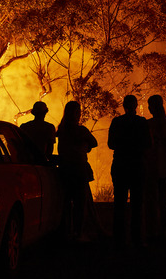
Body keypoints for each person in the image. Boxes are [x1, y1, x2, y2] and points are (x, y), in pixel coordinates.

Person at [108, 95, 152, 248]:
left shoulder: (117, 122)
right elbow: (148, 144)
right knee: (137, 204)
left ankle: (119, 239)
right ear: (136, 105)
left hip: (120, 165)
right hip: (137, 166)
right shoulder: (141, 122)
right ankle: (137, 239)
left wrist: (123, 145)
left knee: (119, 203)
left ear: (123, 106)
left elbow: (111, 144)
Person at [56, 101, 98, 241]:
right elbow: (94, 142)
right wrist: (85, 146)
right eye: (77, 111)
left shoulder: (61, 130)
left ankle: (66, 232)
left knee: (66, 202)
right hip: (78, 170)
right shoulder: (81, 131)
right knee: (80, 203)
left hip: (65, 169)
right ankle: (78, 233)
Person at [144, 95, 166, 245]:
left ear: (152, 107)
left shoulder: (148, 124)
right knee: (164, 202)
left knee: (151, 202)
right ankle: (163, 231)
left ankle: (152, 231)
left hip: (152, 169)